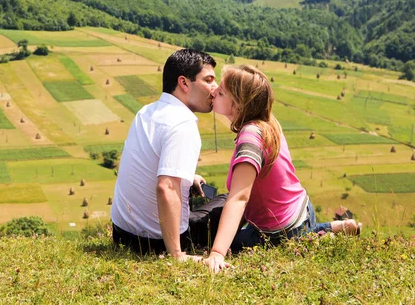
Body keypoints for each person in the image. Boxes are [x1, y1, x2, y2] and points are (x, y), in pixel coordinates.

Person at [203, 65, 362, 273]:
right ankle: (333, 228)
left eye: (221, 92)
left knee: (221, 243)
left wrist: (217, 252)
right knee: (297, 233)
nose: (213, 91)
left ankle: (320, 237)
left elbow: (240, 198)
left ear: (240, 105)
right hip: (302, 209)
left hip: (281, 230)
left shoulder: (250, 137)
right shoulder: (268, 123)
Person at [111, 48, 226, 263]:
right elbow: (166, 187)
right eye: (209, 80)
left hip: (122, 234)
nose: (215, 88)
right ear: (184, 83)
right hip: (155, 242)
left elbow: (147, 163)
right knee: (234, 200)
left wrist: (187, 177)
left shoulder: (146, 111)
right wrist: (176, 254)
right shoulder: (183, 124)